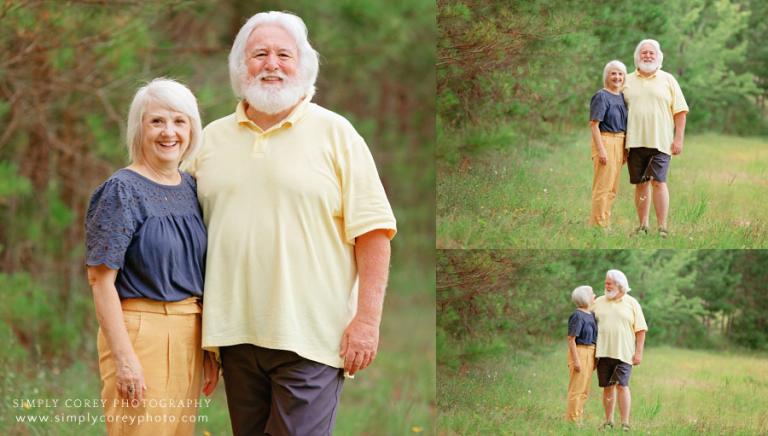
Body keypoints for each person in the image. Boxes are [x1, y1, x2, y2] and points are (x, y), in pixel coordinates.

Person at [182, 11, 397, 435]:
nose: (272, 64)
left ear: (305, 66)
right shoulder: (208, 141)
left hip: (311, 336)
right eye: (259, 54)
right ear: (240, 67)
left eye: (284, 54)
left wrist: (367, 322)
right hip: (234, 335)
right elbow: (186, 240)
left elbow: (373, 232)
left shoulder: (337, 134)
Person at [85, 78, 219, 435]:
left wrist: (208, 349)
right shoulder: (121, 191)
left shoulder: (191, 187)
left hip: (189, 331)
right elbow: (100, 281)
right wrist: (125, 359)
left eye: (180, 121)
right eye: (156, 121)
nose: (169, 132)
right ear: (138, 128)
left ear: (192, 128)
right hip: (141, 333)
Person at [623, 39, 689, 237]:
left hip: (661, 142)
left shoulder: (668, 79)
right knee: (641, 183)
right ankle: (643, 226)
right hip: (634, 142)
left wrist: (678, 139)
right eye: (643, 52)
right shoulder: (626, 81)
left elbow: (680, 112)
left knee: (658, 182)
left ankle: (662, 227)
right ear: (637, 56)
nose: (647, 55)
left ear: (658, 57)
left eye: (651, 53)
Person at [593, 269, 648, 431]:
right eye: (605, 283)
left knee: (622, 386)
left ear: (620, 285)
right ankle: (609, 422)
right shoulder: (598, 302)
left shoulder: (632, 303)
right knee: (607, 387)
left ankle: (625, 424)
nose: (606, 285)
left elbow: (641, 330)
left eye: (609, 283)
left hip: (625, 354)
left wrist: (638, 353)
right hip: (602, 353)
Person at [589, 60, 628, 228]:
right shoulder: (601, 96)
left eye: (620, 73)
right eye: (613, 73)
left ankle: (605, 221)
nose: (617, 77)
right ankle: (598, 225)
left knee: (612, 189)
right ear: (606, 76)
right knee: (603, 187)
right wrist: (601, 150)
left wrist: (625, 149)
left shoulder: (621, 97)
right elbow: (594, 125)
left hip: (619, 142)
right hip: (605, 140)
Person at [566, 285, 597, 423]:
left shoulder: (591, 314)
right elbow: (571, 339)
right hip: (580, 351)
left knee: (584, 390)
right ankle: (572, 421)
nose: (594, 295)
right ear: (585, 297)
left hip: (590, 352)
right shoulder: (578, 315)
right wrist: (576, 360)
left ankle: (578, 417)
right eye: (592, 294)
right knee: (577, 389)